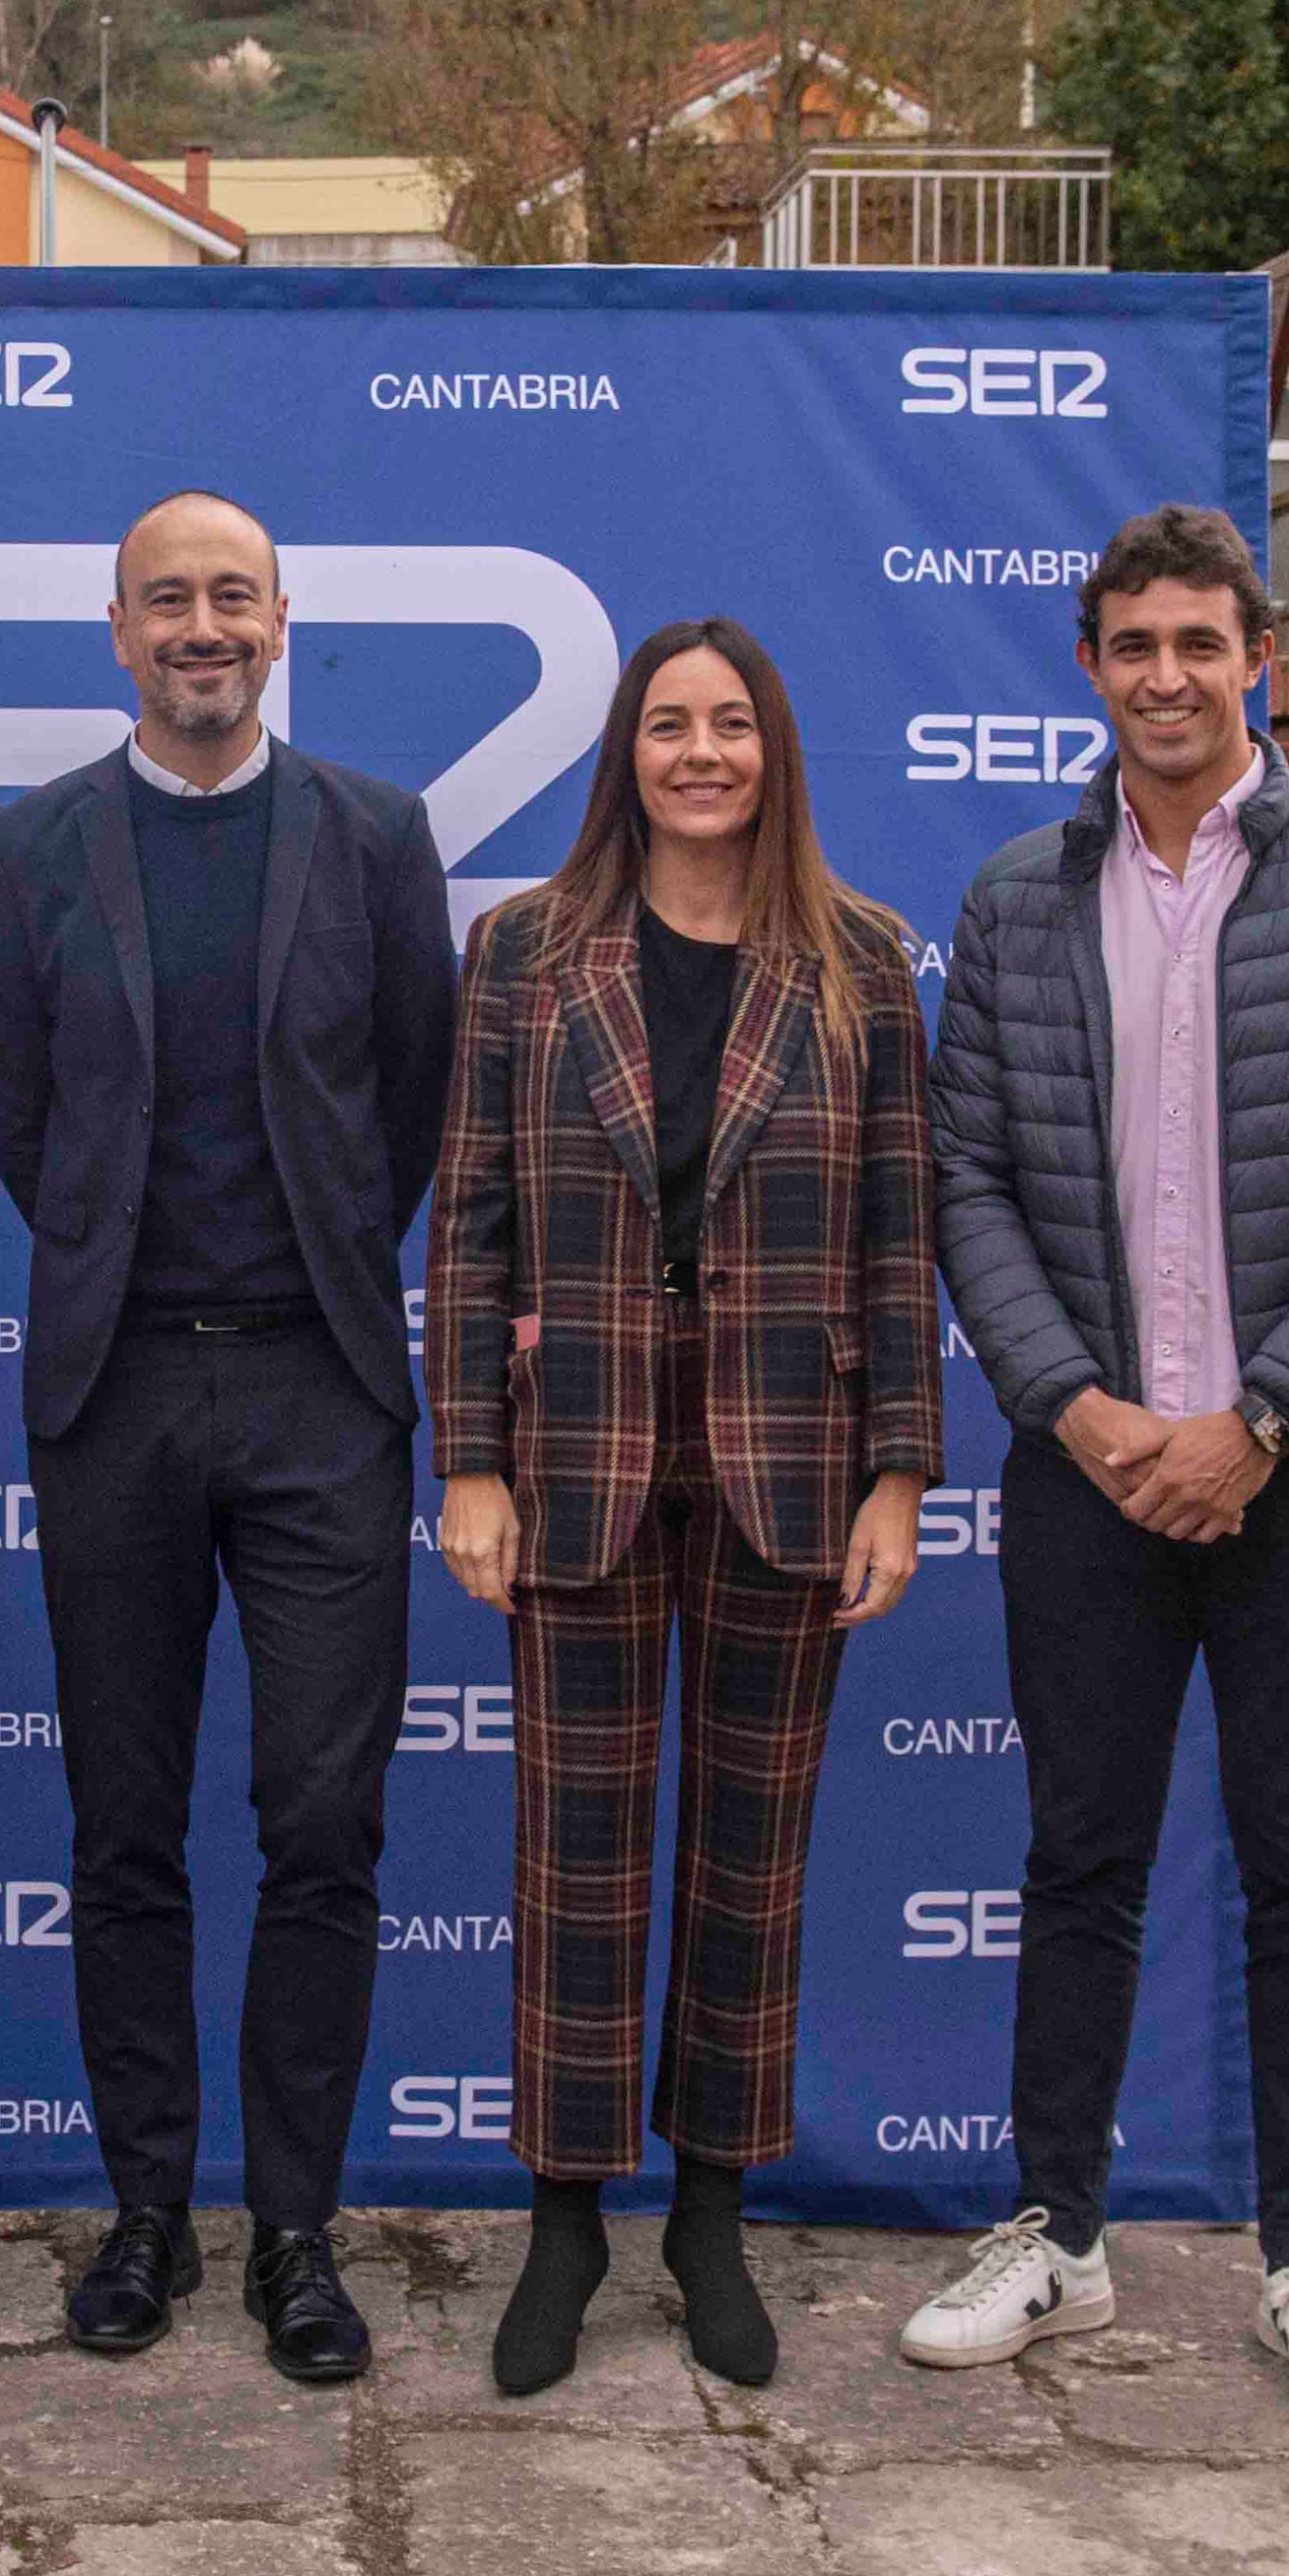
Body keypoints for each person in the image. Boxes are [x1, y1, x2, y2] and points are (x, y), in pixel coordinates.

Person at [905, 503, 1289, 2428]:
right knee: (1080, 1858)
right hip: (1086, 1465)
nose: (1165, 673)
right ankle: (1055, 2227)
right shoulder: (1009, 899)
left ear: (1258, 661)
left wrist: (1260, 1421)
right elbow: (965, 1177)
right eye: (1131, 642)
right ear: (1088, 665)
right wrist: (1079, 1409)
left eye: (1197, 643)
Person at [0, 490, 459, 2387]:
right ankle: (149, 2214)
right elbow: (22, 1113)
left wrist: (321, 1263)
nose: (200, 627)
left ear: (279, 620)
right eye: (166, 599)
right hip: (119, 1396)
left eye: (231, 596)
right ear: (115, 632)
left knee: (323, 1830)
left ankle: (300, 2236)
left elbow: (405, 1099)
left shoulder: (378, 839)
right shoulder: (27, 855)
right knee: (125, 1832)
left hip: (324, 1391)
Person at [429, 617, 941, 2396]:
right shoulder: (522, 954)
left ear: (773, 747)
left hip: (789, 1473)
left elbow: (900, 1234)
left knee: (752, 1858)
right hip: (574, 1469)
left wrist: (899, 1472)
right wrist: (469, 1459)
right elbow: (471, 1222)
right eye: (670, 725)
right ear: (626, 753)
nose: (702, 752)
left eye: (733, 722)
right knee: (573, 1861)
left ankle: (713, 2212)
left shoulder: (862, 961)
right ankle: (567, 2221)